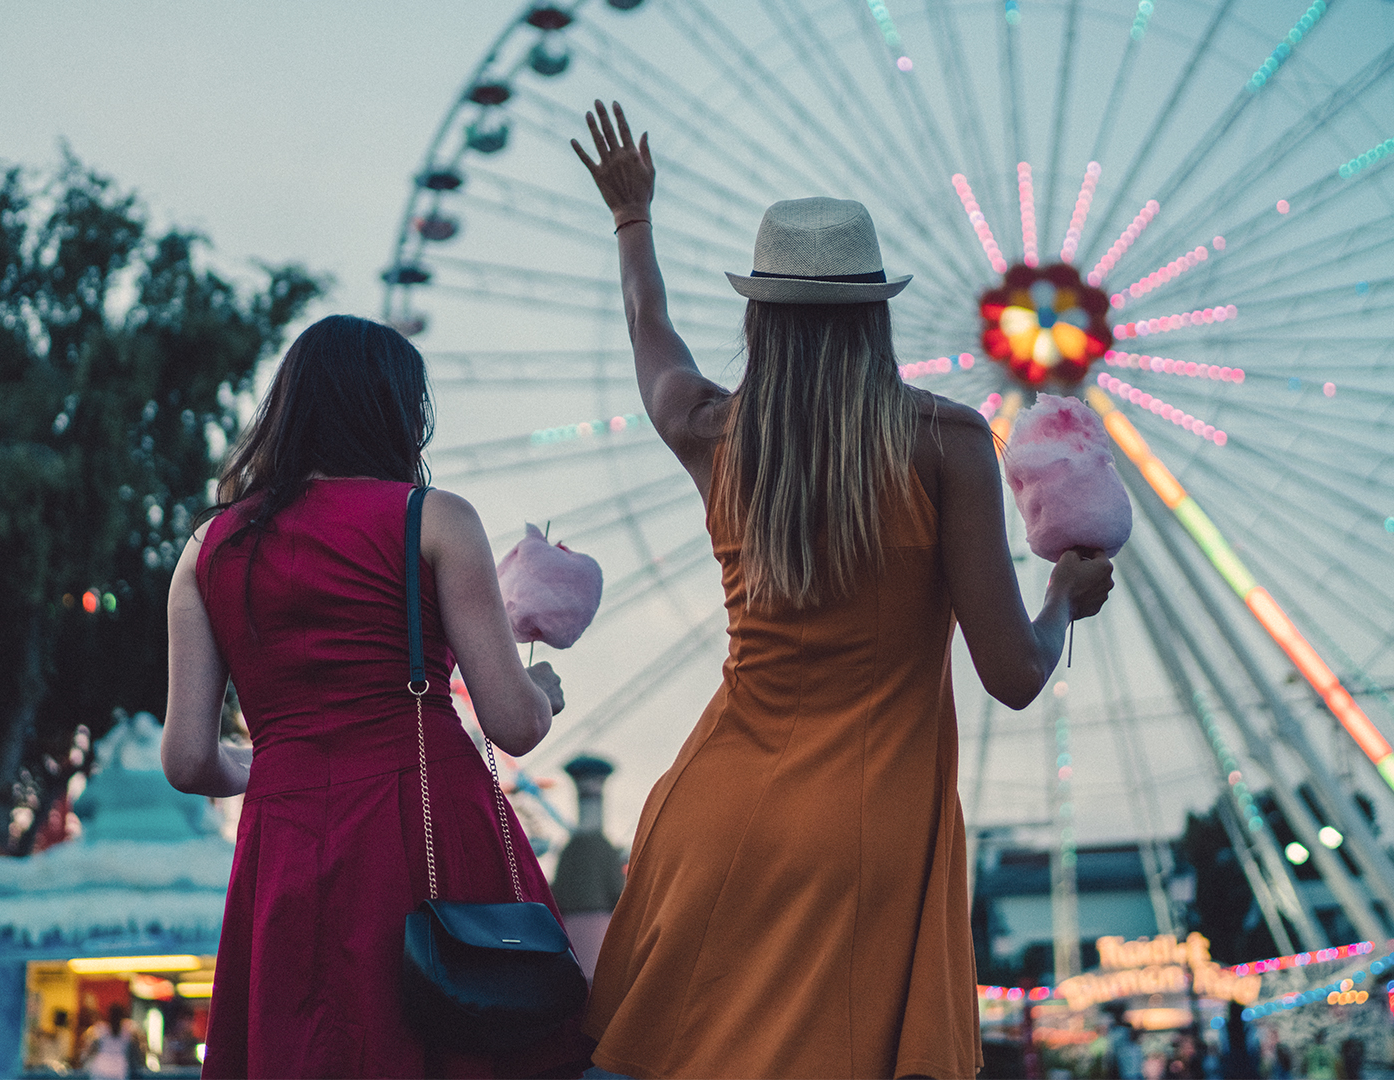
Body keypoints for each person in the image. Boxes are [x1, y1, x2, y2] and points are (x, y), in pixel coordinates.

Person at [570, 102, 1114, 1079]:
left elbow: (652, 334)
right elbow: (1014, 674)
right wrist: (1064, 596)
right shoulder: (945, 442)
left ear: (756, 313)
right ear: (877, 311)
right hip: (866, 834)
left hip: (715, 814)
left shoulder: (713, 432)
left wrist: (631, 218)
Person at [162, 314, 590, 1078]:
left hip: (286, 839)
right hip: (426, 822)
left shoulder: (207, 550)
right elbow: (513, 725)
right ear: (400, 413)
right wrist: (544, 692)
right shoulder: (435, 521)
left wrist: (278, 765)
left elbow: (190, 759)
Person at [79, 1004, 137, 1080]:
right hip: (119, 1070)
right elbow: (134, 1051)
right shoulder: (128, 1029)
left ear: (108, 1015)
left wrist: (82, 1059)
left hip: (101, 1068)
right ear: (123, 1015)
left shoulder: (101, 1029)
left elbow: (91, 1049)